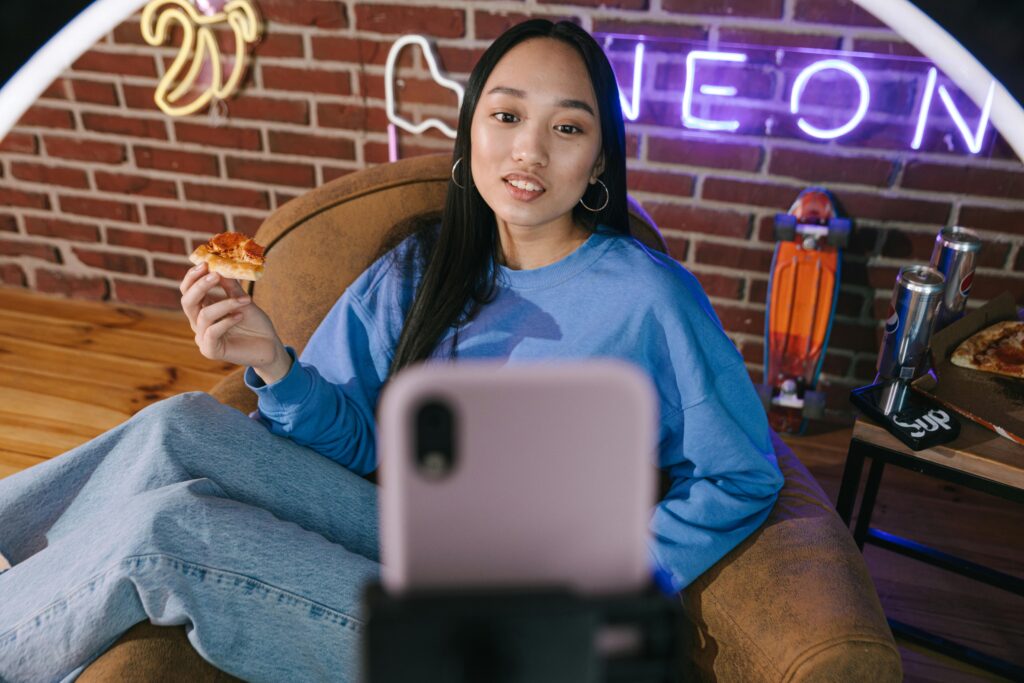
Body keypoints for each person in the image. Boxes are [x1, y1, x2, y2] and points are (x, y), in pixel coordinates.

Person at [0, 19, 783, 682]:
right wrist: (275, 363)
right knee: (180, 423)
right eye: (507, 117)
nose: (530, 153)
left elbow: (741, 471)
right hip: (403, 530)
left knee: (165, 537)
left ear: (601, 159)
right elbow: (361, 442)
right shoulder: (422, 265)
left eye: (568, 127)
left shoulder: (650, 299)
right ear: (472, 128)